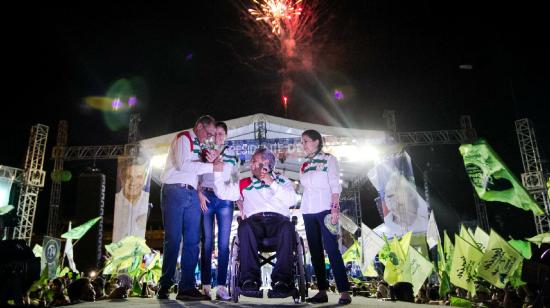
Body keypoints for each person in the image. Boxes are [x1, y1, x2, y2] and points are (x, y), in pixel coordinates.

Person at [157, 115, 220, 301]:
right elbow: (184, 165)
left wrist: (210, 163)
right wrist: (210, 166)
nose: (208, 137)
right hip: (175, 189)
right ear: (199, 126)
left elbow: (198, 173)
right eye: (207, 132)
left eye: (211, 135)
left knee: (193, 241)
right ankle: (165, 284)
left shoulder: (201, 146)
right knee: (173, 239)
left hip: (192, 193)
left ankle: (187, 287)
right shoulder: (183, 137)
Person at [299, 129, 352, 305]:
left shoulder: (329, 159)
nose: (303, 145)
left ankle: (344, 291)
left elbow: (334, 185)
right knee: (314, 252)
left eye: (305, 141)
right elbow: (305, 189)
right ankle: (322, 291)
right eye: (302, 142)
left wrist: (335, 208)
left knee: (332, 249)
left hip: (325, 210)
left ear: (316, 142)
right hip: (308, 211)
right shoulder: (304, 165)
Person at [237, 148, 298, 297]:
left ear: (265, 163)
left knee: (288, 227)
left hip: (279, 222)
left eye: (254, 161)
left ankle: (282, 281)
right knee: (244, 226)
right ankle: (250, 280)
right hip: (254, 224)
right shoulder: (244, 182)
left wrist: (272, 183)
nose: (251, 164)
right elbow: (224, 192)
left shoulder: (282, 180)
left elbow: (292, 200)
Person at [198, 122, 238, 300]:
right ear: (212, 136)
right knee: (207, 242)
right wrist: (199, 193)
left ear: (226, 136)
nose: (219, 136)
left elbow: (235, 179)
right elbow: (196, 174)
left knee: (223, 244)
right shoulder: (205, 151)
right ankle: (205, 286)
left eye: (222, 133)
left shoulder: (232, 155)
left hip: (225, 201)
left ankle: (221, 286)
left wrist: (239, 201)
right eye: (216, 134)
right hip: (207, 196)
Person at [112, 159, 150, 242]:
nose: (133, 182)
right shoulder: (115, 201)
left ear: (144, 180)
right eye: (129, 177)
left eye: (139, 177)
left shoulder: (147, 199)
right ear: (122, 179)